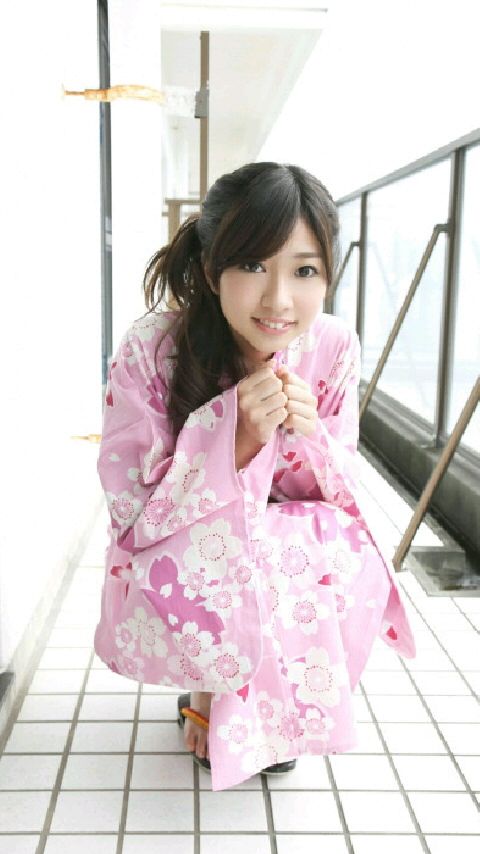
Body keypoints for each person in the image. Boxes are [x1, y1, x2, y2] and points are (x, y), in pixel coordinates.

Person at [93, 161, 416, 791]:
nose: (278, 300)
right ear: (211, 266)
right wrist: (230, 436)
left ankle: (260, 707)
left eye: (304, 271)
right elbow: (130, 511)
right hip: (183, 551)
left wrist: (307, 437)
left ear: (329, 274)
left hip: (279, 549)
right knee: (238, 542)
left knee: (329, 543)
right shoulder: (150, 349)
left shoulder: (333, 346)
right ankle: (213, 686)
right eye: (251, 265)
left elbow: (341, 491)